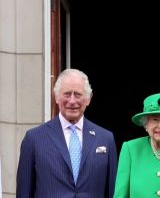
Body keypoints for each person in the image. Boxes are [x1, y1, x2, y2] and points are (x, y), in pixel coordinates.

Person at [17, 69, 118, 198]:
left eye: (77, 94)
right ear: (56, 97)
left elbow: (112, 192)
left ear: (88, 99)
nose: (72, 100)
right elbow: (24, 192)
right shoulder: (34, 138)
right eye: (67, 94)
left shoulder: (105, 138)